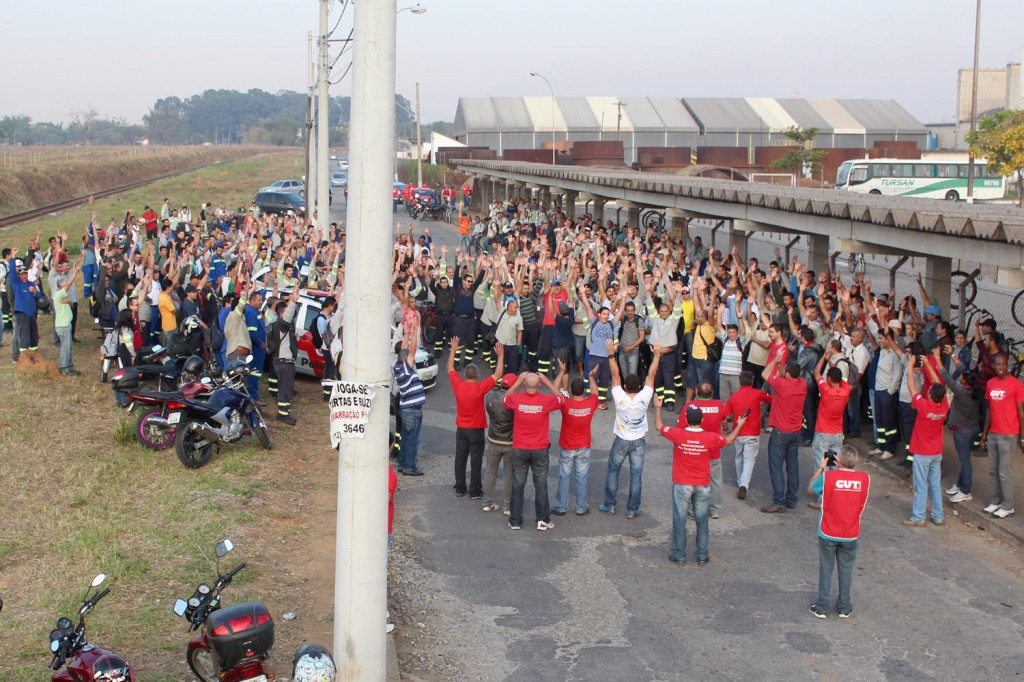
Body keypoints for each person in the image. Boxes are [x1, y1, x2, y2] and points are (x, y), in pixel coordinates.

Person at [655, 402, 746, 565]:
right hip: (702, 484)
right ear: (702, 419)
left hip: (682, 483)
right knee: (702, 520)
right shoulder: (709, 437)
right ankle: (702, 555)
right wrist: (739, 425)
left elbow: (658, 426)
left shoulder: (678, 434)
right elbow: (730, 440)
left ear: (686, 419)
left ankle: (678, 554)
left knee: (680, 519)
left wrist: (657, 407)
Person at [807, 445, 870, 620]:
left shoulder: (829, 476)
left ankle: (821, 606)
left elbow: (811, 489)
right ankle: (844, 607)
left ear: (838, 460)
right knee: (846, 570)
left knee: (826, 568)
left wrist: (821, 467)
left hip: (828, 530)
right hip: (850, 532)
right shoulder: (864, 479)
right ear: (856, 461)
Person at [599, 343, 661, 519]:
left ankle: (610, 505)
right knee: (636, 476)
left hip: (621, 440)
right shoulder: (645, 396)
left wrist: (612, 355)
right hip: (639, 441)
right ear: (639, 386)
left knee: (613, 471)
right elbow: (652, 374)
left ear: (625, 387)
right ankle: (632, 510)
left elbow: (615, 374)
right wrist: (656, 355)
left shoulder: (619, 397)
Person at [503, 366, 566, 531]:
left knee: (517, 484)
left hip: (520, 448)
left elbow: (505, 398)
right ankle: (543, 519)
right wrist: (547, 381)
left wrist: (517, 381)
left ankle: (515, 520)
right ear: (538, 385)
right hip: (539, 449)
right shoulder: (545, 401)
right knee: (540, 484)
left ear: (524, 385)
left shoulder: (516, 400)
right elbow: (561, 399)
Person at [448, 336, 505, 499]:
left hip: (461, 428)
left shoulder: (458, 385)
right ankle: (474, 490)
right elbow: (498, 374)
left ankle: (460, 487)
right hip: (476, 429)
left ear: (465, 374)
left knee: (460, 458)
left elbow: (450, 367)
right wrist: (500, 355)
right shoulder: (480, 388)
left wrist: (453, 350)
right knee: (476, 460)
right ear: (477, 375)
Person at [934, 345, 982, 504]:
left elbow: (945, 376)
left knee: (965, 461)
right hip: (973, 428)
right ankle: (961, 484)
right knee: (965, 458)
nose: (961, 376)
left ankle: (966, 490)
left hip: (962, 430)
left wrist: (938, 359)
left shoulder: (961, 392)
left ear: (964, 380)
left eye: (963, 376)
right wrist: (953, 355)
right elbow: (964, 369)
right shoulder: (975, 388)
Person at [760, 354, 807, 512]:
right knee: (792, 466)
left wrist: (774, 360)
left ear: (787, 374)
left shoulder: (782, 385)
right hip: (795, 431)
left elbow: (765, 374)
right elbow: (786, 374)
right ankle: (791, 499)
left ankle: (779, 501)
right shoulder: (802, 384)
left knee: (776, 466)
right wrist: (781, 365)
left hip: (780, 431)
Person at [980, 353, 1024, 519]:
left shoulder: (1017, 385)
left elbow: (1021, 412)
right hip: (994, 433)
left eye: (1003, 364)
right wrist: (985, 433)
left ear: (1008, 365)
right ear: (994, 366)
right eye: (997, 365)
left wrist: (1022, 437)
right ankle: (996, 500)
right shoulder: (991, 384)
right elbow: (990, 410)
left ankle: (1008, 505)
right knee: (993, 470)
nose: (1000, 368)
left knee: (1004, 471)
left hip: (1009, 434)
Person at [553, 366, 600, 516]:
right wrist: (591, 377)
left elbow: (554, 390)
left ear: (571, 392)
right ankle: (581, 507)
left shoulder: (565, 404)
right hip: (583, 446)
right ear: (583, 392)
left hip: (567, 446)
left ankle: (561, 506)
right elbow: (595, 392)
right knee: (582, 476)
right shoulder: (590, 403)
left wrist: (561, 372)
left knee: (564, 476)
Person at [681, 381, 727, 519]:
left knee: (695, 481)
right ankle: (715, 510)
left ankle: (695, 510)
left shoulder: (690, 406)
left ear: (696, 392)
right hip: (713, 451)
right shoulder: (719, 405)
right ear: (712, 393)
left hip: (695, 451)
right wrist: (725, 428)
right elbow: (724, 420)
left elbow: (681, 427)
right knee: (716, 481)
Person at [723, 370, 771, 502]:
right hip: (752, 434)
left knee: (738, 457)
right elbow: (770, 399)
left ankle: (740, 482)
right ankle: (744, 484)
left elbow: (724, 416)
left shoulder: (734, 397)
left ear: (739, 381)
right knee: (748, 460)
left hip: (738, 433)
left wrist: (726, 429)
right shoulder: (757, 393)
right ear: (753, 380)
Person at [394, 318, 426, 475]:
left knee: (406, 438)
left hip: (406, 408)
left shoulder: (398, 367)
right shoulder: (406, 369)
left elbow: (404, 350)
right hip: (412, 410)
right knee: (412, 439)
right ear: (406, 361)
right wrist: (416, 331)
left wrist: (407, 332)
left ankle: (402, 464)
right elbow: (411, 351)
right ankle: (409, 467)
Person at [483, 373, 517, 515]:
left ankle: (487, 503)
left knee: (491, 471)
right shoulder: (514, 401)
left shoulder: (490, 396)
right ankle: (508, 507)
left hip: (494, 439)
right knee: (509, 474)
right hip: (509, 441)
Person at [268, 299, 299, 426]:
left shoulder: (280, 326)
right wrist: (294, 302)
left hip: (283, 362)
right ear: (282, 313)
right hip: (284, 362)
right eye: (286, 313)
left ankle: (284, 412)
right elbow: (288, 316)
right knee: (285, 389)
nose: (291, 317)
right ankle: (283, 415)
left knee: (285, 388)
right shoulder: (281, 323)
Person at [53, 258, 83, 375]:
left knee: (69, 348)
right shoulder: (58, 294)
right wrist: (75, 272)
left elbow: (70, 303)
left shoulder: (62, 296)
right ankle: (64, 368)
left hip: (67, 325)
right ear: (60, 286)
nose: (67, 285)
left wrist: (69, 302)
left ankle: (69, 366)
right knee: (65, 348)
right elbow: (69, 284)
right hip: (63, 326)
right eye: (64, 285)